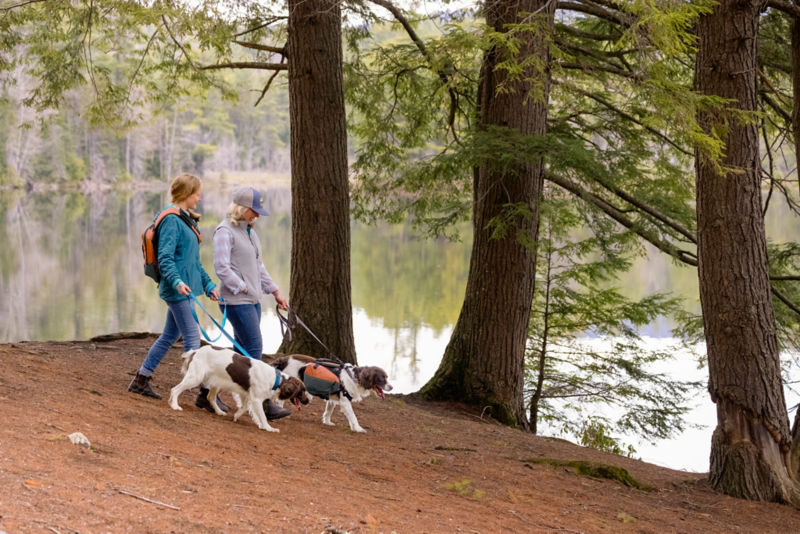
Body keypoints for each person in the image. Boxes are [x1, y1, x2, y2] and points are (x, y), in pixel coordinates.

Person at [128, 173, 224, 413]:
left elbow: (194, 263)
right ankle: (204, 394)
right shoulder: (172, 220)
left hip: (186, 290)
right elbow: (165, 258)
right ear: (187, 194)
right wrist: (177, 282)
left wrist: (209, 285)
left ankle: (141, 380)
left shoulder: (186, 219)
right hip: (177, 291)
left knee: (169, 336)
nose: (199, 199)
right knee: (193, 341)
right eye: (197, 194)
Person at [213, 186, 291, 420]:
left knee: (239, 353)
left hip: (253, 300)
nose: (256, 215)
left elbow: (258, 266)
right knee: (254, 350)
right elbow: (222, 268)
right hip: (236, 301)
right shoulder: (224, 231)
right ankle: (263, 404)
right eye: (253, 211)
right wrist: (243, 286)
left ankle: (206, 391)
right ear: (241, 208)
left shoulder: (248, 231)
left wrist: (274, 290)